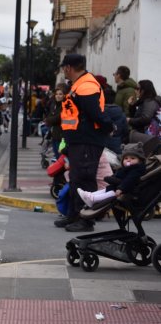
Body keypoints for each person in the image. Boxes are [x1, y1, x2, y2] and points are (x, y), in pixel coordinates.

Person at [55, 53, 113, 232]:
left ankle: (86, 220)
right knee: (76, 179)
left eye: (64, 67)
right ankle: (74, 216)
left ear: (68, 68)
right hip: (79, 140)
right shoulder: (78, 84)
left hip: (87, 140)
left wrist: (109, 126)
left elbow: (95, 113)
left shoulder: (86, 85)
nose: (63, 70)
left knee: (85, 180)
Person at [77, 142, 146, 207]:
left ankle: (93, 199)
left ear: (140, 160)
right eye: (126, 158)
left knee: (110, 193)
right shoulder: (126, 168)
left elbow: (130, 180)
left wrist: (121, 189)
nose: (128, 160)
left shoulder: (136, 169)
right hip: (118, 186)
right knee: (106, 190)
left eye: (132, 158)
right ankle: (90, 195)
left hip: (126, 189)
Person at [44, 83, 67, 158]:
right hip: (54, 135)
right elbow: (50, 117)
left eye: (60, 94)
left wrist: (49, 120)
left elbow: (58, 118)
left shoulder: (65, 105)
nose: (58, 96)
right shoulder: (54, 105)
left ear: (64, 95)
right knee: (57, 156)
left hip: (61, 137)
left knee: (61, 158)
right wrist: (50, 119)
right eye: (56, 94)